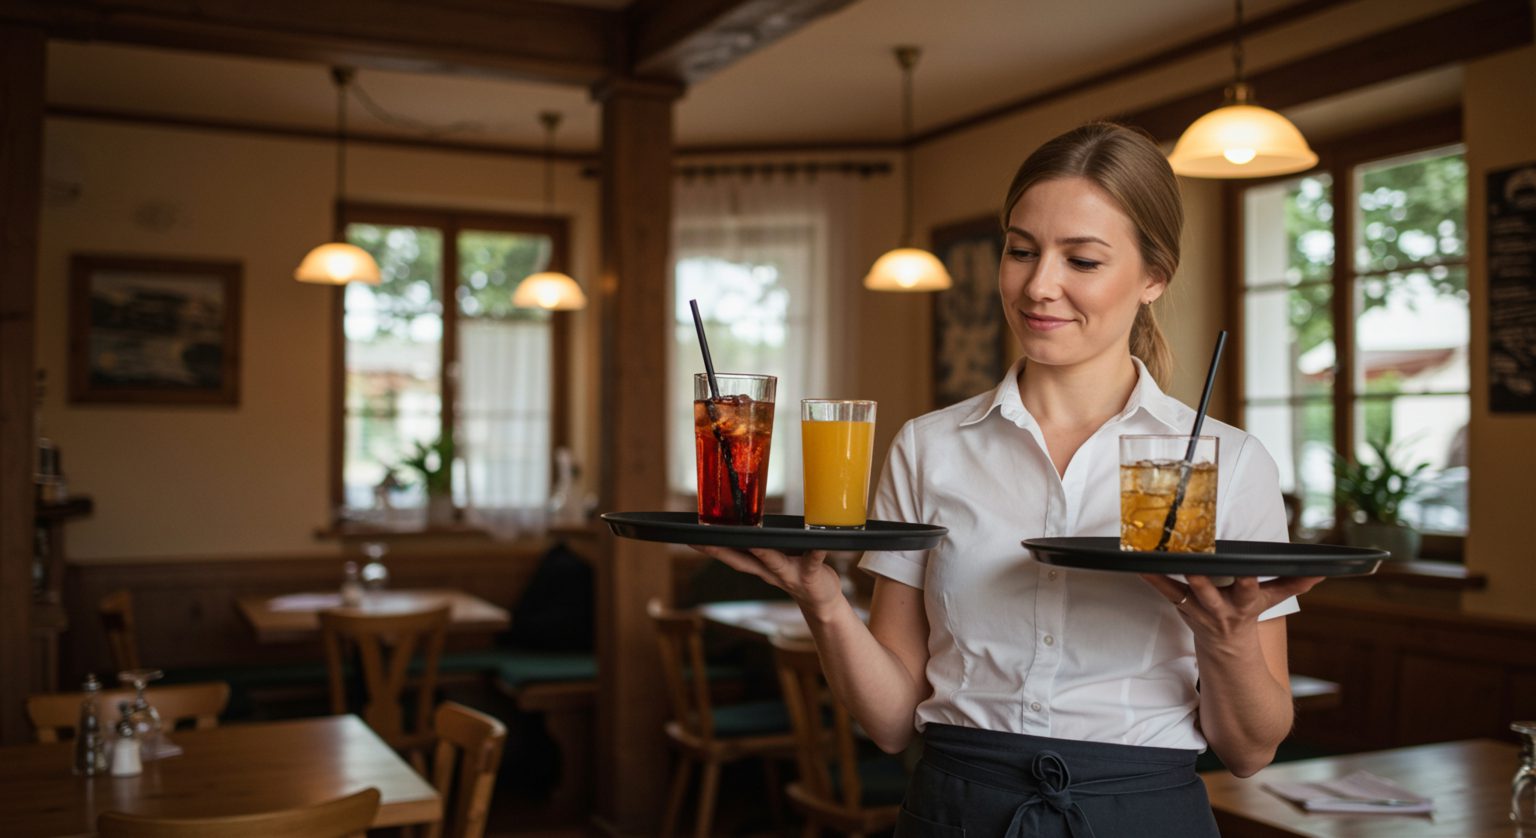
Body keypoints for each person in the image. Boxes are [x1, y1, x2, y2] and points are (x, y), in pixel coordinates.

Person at [694, 122, 1323, 837]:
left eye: (1081, 260)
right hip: (955, 811)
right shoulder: (928, 448)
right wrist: (824, 603)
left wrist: (1230, 638)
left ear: (1154, 277)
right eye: (1021, 250)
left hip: (1144, 817)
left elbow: (1250, 749)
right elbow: (893, 723)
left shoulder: (1227, 460)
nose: (1037, 285)